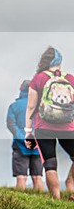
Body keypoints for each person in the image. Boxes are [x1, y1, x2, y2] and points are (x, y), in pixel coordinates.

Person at [24, 47, 74, 199]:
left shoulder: (38, 78)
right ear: (60, 62)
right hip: (68, 127)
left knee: (50, 163)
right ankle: (71, 183)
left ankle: (56, 198)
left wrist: (28, 131)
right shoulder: (70, 79)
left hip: (44, 127)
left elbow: (31, 106)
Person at [6, 80, 43, 191]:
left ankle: (20, 200)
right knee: (37, 177)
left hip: (20, 145)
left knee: (21, 176)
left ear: (21, 89)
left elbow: (11, 125)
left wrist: (23, 138)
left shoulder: (14, 106)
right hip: (38, 146)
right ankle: (41, 199)